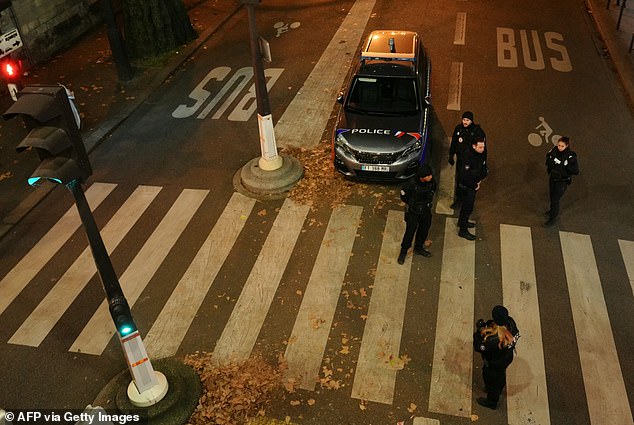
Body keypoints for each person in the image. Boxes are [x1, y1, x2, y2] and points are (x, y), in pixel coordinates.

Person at [473, 305, 520, 410]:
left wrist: (478, 331)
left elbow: (478, 346)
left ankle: (492, 401)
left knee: (491, 381)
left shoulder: (493, 340)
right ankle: (499, 387)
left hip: (494, 364)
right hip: (506, 358)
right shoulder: (511, 324)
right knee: (500, 375)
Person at [397, 163, 436, 265]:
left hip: (425, 211)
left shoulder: (431, 182)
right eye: (428, 176)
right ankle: (404, 251)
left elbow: (433, 190)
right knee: (410, 232)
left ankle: (419, 247)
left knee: (424, 230)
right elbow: (404, 197)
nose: (431, 177)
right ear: (422, 177)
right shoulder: (410, 185)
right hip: (413, 212)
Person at [448, 111, 486, 208]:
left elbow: (482, 148)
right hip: (461, 160)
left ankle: (467, 198)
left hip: (471, 162)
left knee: (470, 179)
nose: (465, 122)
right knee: (460, 180)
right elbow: (454, 143)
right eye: (464, 119)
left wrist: (483, 164)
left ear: (471, 121)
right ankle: (459, 198)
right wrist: (451, 155)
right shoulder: (459, 129)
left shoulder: (477, 132)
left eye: (467, 120)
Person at [544, 136, 579, 227]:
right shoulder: (554, 150)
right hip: (553, 178)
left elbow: (576, 171)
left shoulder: (571, 156)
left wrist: (567, 165)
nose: (559, 147)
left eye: (562, 146)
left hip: (562, 181)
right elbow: (548, 158)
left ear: (567, 146)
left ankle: (552, 218)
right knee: (552, 196)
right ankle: (552, 210)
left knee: (555, 199)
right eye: (559, 145)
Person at [457, 138, 487, 241]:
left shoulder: (480, 154)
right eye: (480, 147)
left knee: (468, 208)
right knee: (467, 208)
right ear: (474, 146)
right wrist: (475, 185)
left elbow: (482, 167)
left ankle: (462, 223)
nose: (482, 149)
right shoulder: (468, 158)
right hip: (468, 187)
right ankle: (463, 230)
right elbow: (464, 177)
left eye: (483, 146)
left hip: (474, 184)